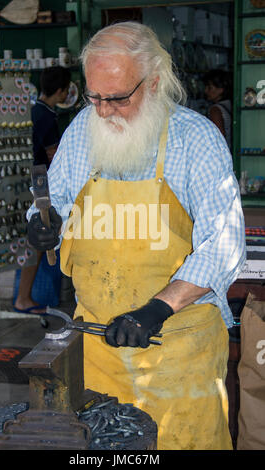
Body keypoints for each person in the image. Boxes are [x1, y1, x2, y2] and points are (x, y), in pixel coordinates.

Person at [26, 22, 246, 449]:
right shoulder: (82, 132)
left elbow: (223, 243)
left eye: (118, 98)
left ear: (155, 83)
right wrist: (43, 224)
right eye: (94, 97)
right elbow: (53, 200)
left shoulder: (194, 139)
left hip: (178, 347)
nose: (104, 111)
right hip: (98, 345)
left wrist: (158, 308)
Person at [13, 66, 71, 314]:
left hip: (26, 181)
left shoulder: (32, 110)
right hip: (41, 186)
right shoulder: (47, 117)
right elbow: (54, 157)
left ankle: (23, 296)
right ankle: (23, 298)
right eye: (66, 91)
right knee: (37, 244)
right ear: (60, 91)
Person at [203, 69, 232, 150]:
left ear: (220, 89)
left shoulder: (215, 110)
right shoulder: (230, 104)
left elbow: (218, 138)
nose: (206, 91)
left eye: (209, 88)